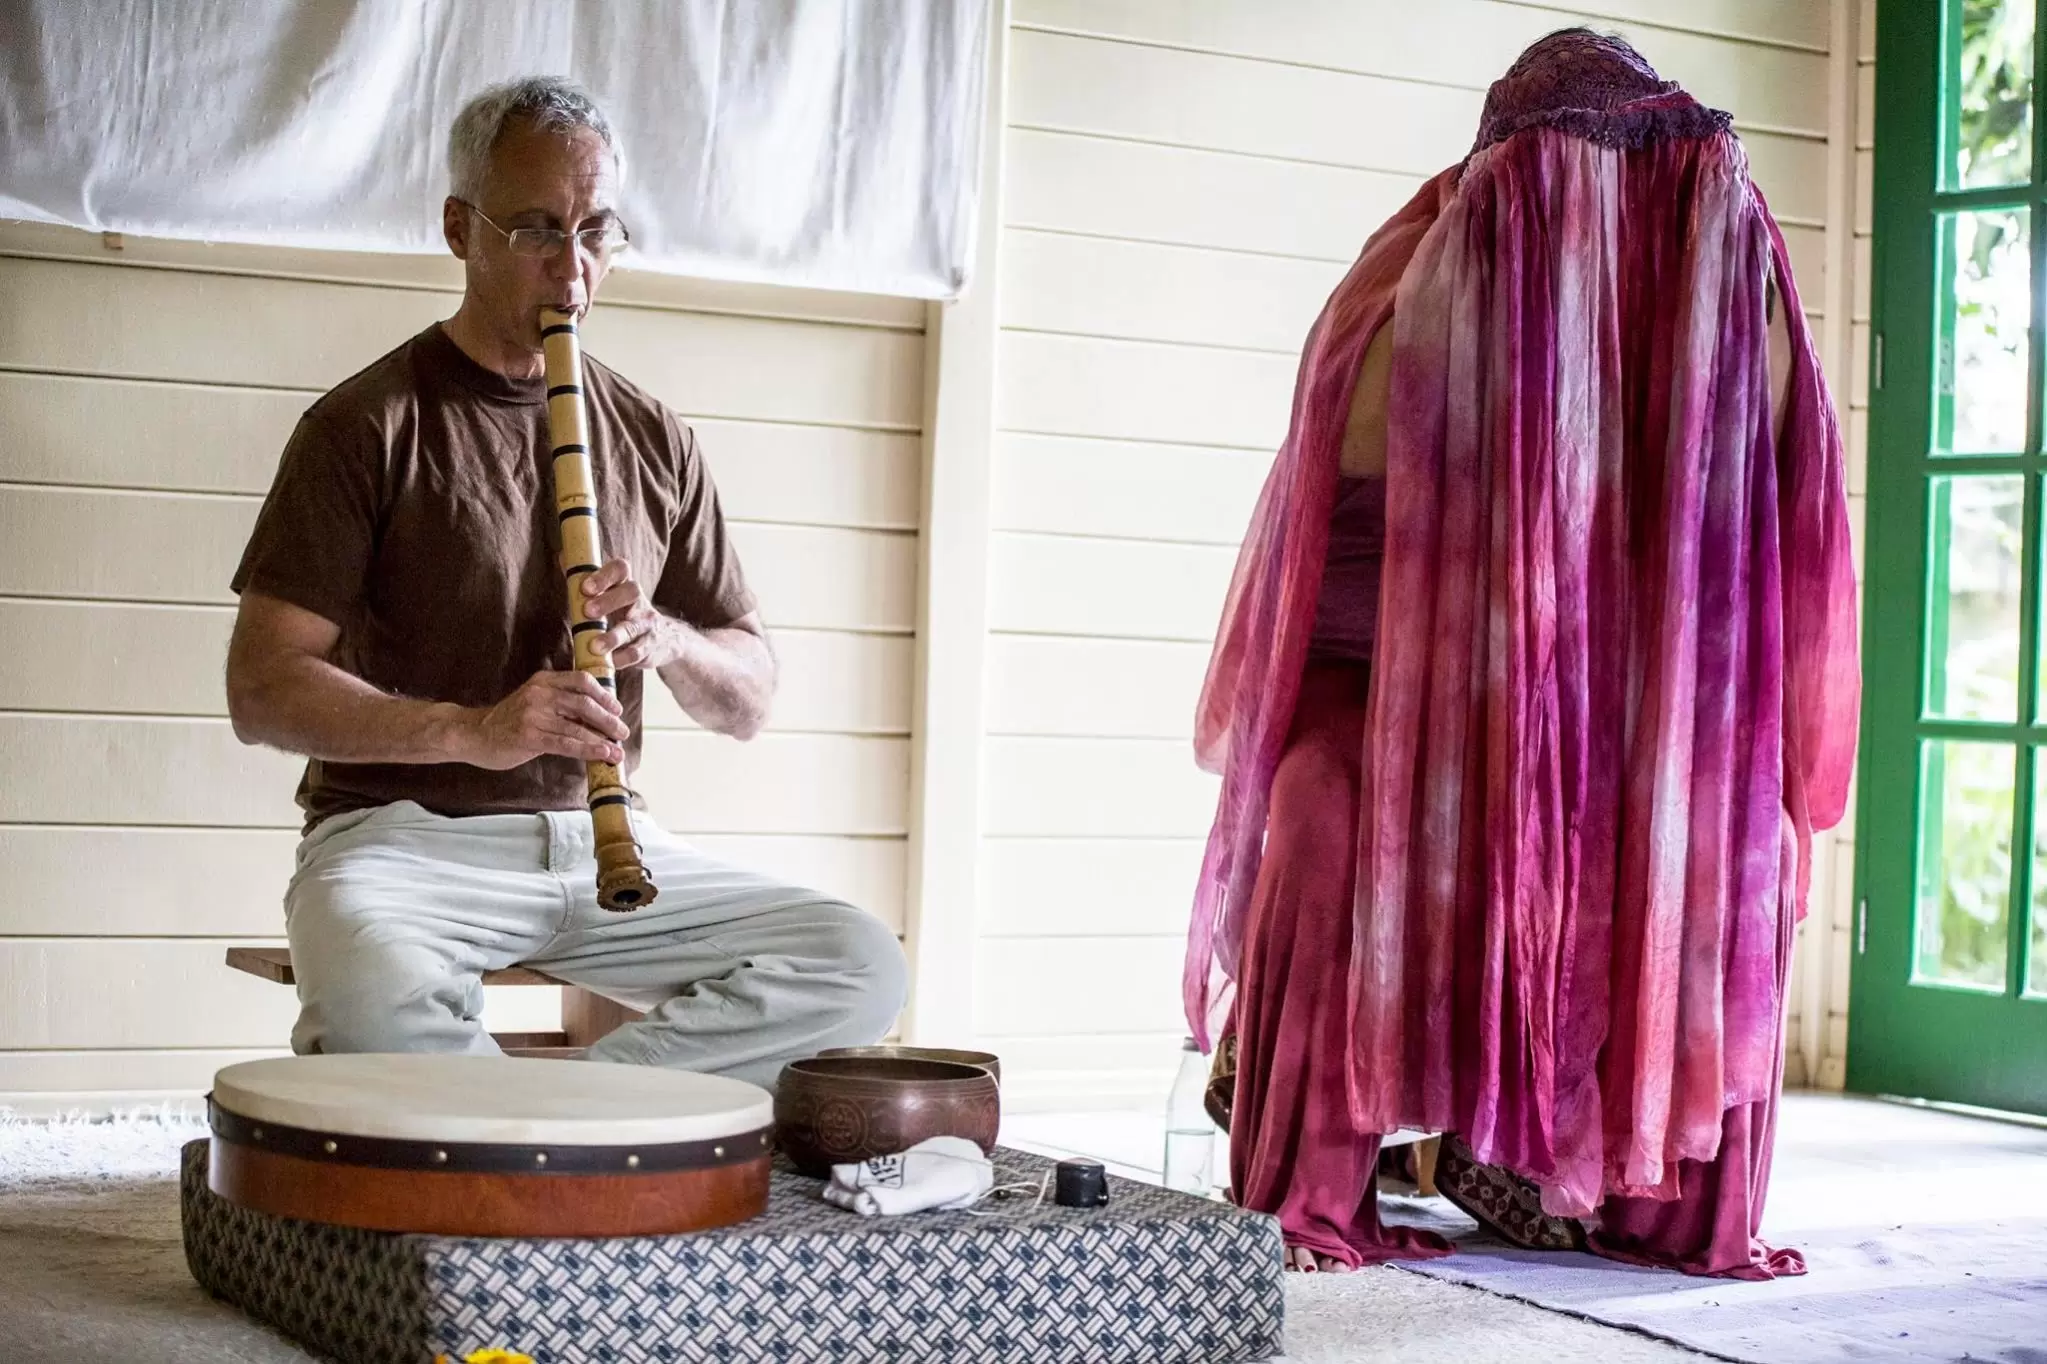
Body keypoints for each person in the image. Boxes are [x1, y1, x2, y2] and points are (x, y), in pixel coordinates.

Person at [1184, 31, 1860, 1277]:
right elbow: (1328, 585)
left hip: (1631, 708)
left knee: (1739, 827)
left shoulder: (1722, 277)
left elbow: (1779, 561)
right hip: (1396, 692)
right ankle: (1338, 1155)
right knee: (1325, 804)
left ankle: (1629, 1180)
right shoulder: (1403, 308)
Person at [223, 76, 908, 1094]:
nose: (574, 265)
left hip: (604, 845)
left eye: (598, 230)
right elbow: (262, 687)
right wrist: (472, 729)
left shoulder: (652, 432)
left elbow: (751, 692)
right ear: (463, 229)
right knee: (369, 998)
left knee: (860, 964)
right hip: (403, 844)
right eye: (540, 228)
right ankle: (590, 1120)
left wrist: (666, 640)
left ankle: (542, 1115)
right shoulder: (364, 425)